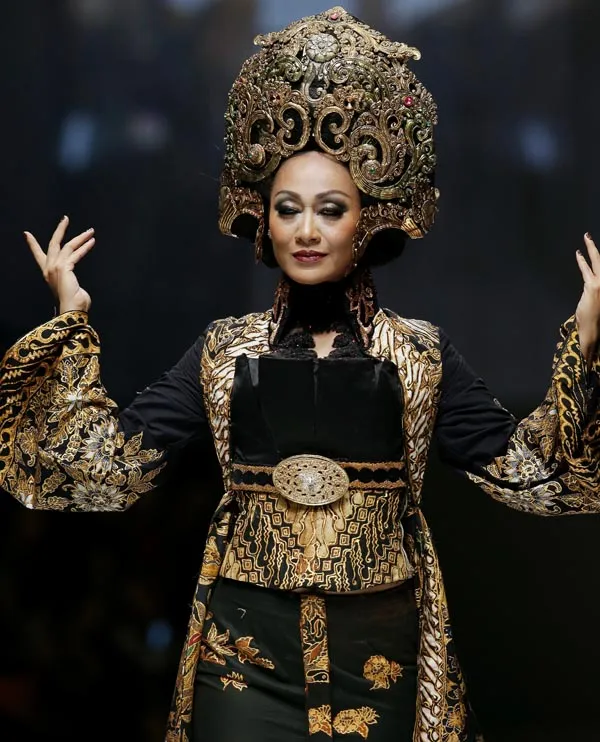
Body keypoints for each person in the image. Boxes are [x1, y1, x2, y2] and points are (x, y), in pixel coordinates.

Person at [1, 6, 599, 741]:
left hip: (381, 656)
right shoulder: (223, 352)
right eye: (288, 209)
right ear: (265, 220)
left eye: (330, 209)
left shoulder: (419, 355)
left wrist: (585, 346)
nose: (307, 230)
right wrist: (70, 321)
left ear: (366, 221)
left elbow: (537, 475)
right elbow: (104, 469)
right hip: (244, 656)